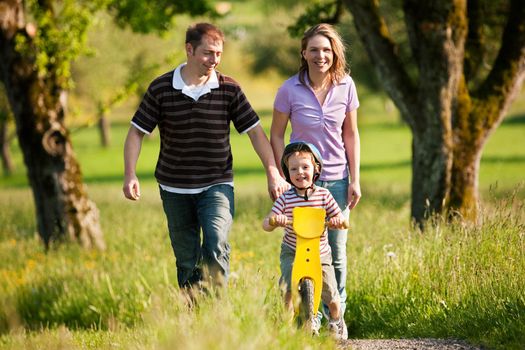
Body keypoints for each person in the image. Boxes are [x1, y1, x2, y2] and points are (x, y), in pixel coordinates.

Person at [123, 23, 287, 294]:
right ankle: (195, 314)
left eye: (219, 54)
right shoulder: (161, 88)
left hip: (216, 183)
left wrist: (273, 172)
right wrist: (130, 174)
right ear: (189, 49)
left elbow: (256, 133)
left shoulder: (229, 88)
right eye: (208, 53)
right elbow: (136, 133)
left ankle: (217, 308)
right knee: (187, 259)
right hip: (174, 187)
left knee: (216, 241)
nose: (214, 60)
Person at [271, 23, 361, 319]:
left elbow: (351, 134)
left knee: (335, 252)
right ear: (303, 53)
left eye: (326, 50)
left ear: (334, 53)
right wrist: (282, 176)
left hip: (336, 179)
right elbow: (276, 135)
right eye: (314, 50)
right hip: (300, 183)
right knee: (301, 251)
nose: (320, 55)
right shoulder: (289, 89)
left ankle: (337, 317)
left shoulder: (346, 85)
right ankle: (310, 319)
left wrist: (355, 180)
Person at [262, 142, 348, 340]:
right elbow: (266, 223)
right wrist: (275, 221)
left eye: (305, 167)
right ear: (287, 172)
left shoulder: (324, 195)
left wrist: (337, 221)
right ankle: (287, 323)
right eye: (294, 169)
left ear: (316, 168)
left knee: (331, 294)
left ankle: (336, 321)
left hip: (320, 253)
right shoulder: (285, 198)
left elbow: (340, 218)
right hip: (293, 251)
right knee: (288, 288)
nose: (300, 172)